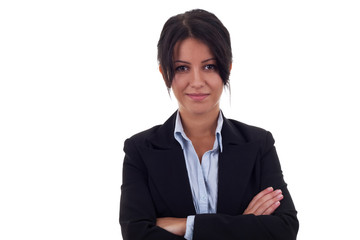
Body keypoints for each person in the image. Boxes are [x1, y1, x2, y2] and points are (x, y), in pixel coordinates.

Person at [120, 9, 299, 240]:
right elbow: (136, 235)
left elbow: (284, 230)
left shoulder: (258, 144)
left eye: (209, 66)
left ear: (227, 69)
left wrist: (188, 226)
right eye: (182, 68)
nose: (196, 81)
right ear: (165, 73)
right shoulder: (140, 150)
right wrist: (242, 225)